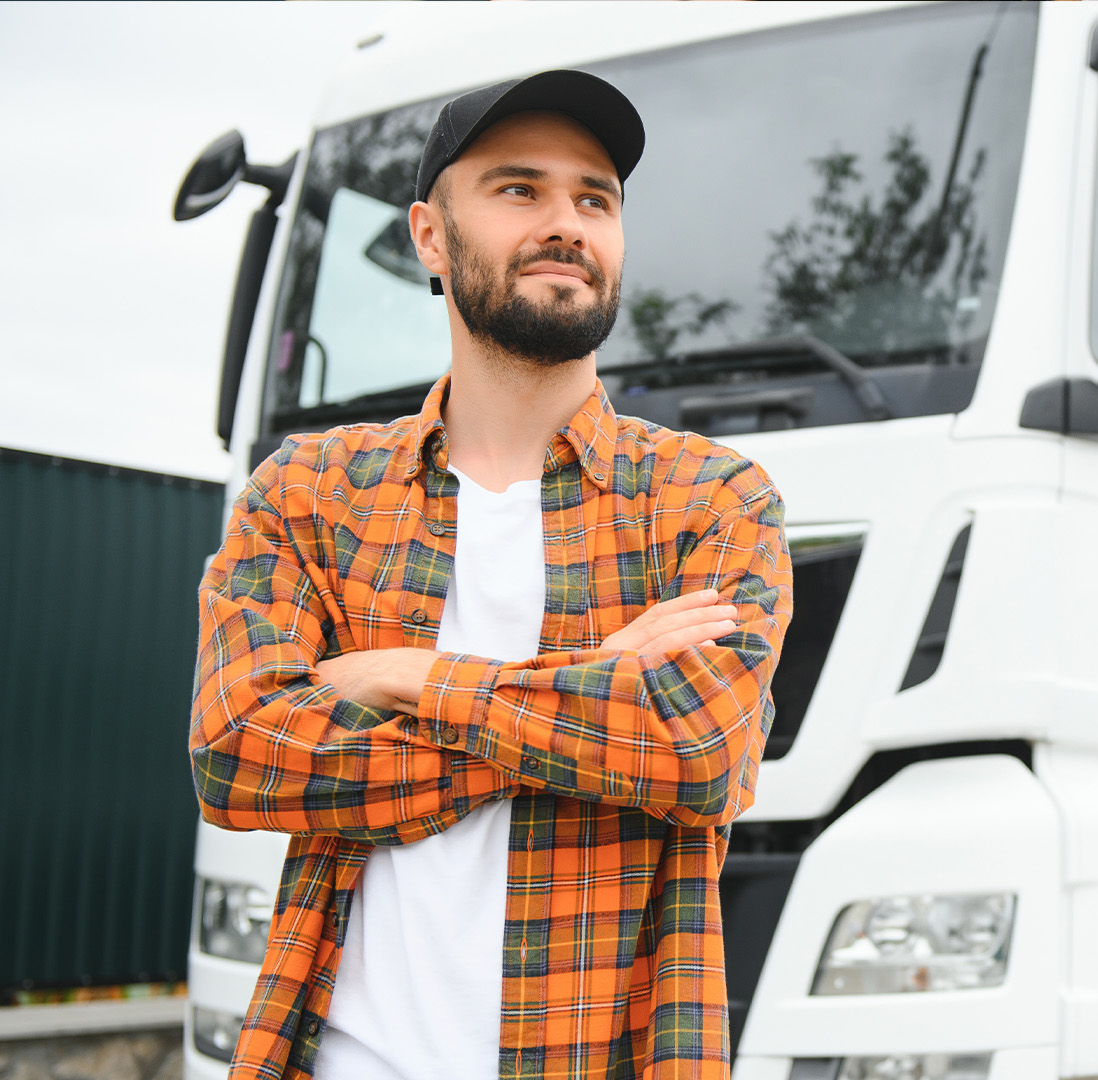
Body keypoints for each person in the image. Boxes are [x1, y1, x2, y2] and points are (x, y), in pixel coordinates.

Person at [189, 69, 791, 1080]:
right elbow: (239, 750)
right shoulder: (308, 492)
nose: (565, 223)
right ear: (429, 234)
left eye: (593, 199)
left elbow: (700, 754)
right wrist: (598, 687)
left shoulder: (712, 497)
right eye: (519, 190)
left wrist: (400, 674)